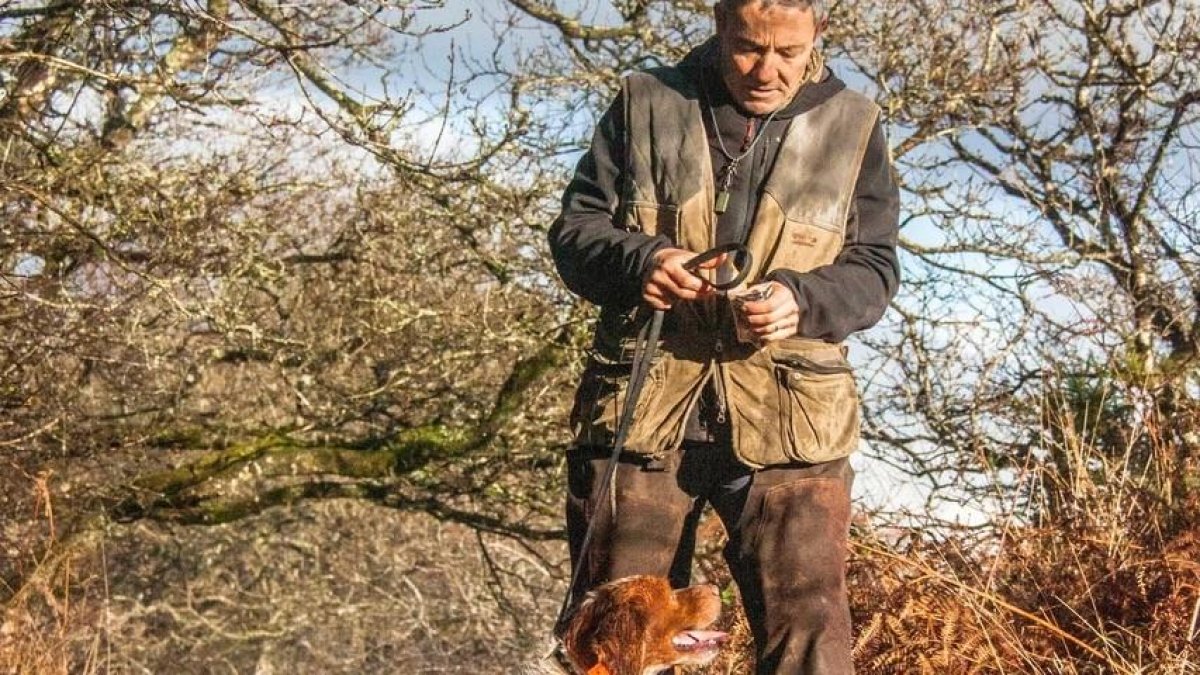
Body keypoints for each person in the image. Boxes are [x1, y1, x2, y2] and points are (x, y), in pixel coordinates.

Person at [548, 0, 899, 672]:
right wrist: (641, 261)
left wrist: (800, 299)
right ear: (717, 23)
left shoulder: (856, 126)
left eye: (789, 53)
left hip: (793, 425)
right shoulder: (644, 101)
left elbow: (875, 270)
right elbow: (574, 234)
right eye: (748, 48)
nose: (767, 70)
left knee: (811, 637)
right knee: (614, 640)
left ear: (817, 34)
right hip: (642, 410)